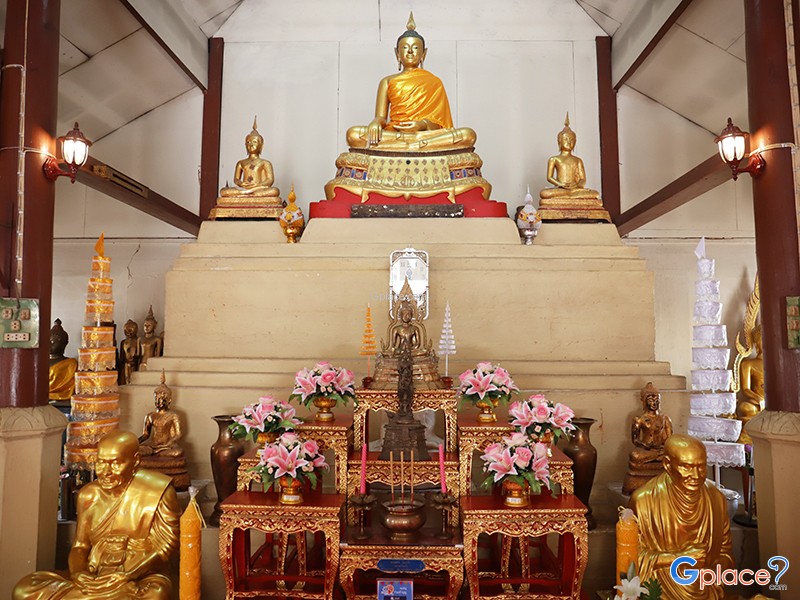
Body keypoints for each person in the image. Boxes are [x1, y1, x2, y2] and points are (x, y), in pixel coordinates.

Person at [13, 431, 180, 600]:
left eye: (115, 463)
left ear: (136, 460)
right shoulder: (88, 495)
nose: (105, 472)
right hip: (93, 573)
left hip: (139, 575)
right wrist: (78, 574)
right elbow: (80, 546)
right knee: (24, 590)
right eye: (100, 463)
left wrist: (128, 575)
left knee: (155, 594)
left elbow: (165, 548)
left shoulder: (157, 491)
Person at [345, 13, 476, 152]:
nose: (410, 51)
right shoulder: (387, 81)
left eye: (415, 47)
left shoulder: (434, 82)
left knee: (468, 135)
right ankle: (414, 145)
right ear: (397, 53)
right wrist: (375, 123)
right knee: (353, 134)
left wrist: (422, 125)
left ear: (424, 54)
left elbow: (442, 125)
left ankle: (410, 145)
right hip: (395, 134)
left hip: (424, 134)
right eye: (405, 47)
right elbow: (381, 117)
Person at [630, 435, 733, 600]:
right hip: (662, 590)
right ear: (667, 465)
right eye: (686, 467)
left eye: (701, 466)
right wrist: (678, 559)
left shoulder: (716, 499)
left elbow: (725, 552)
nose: (696, 475)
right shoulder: (643, 501)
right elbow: (632, 558)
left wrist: (712, 572)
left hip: (706, 588)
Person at [622, 382, 674, 494]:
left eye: (656, 400)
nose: (654, 403)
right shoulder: (639, 419)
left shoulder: (665, 419)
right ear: (644, 401)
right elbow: (635, 439)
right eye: (650, 400)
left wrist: (663, 448)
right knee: (635, 456)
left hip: (661, 450)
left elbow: (670, 439)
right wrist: (644, 445)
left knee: (672, 456)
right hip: (646, 450)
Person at [540, 114, 600, 199]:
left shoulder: (578, 160)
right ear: (559, 141)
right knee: (545, 193)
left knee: (595, 194)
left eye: (572, 140)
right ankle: (570, 196)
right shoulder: (554, 159)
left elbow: (583, 179)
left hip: (575, 189)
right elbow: (549, 177)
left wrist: (578, 186)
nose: (569, 142)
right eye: (566, 139)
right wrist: (560, 184)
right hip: (561, 188)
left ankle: (570, 196)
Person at [220, 117, 280, 198]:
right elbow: (236, 179)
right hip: (244, 189)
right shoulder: (241, 163)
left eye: (254, 142)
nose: (251, 145)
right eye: (248, 142)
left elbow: (270, 180)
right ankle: (247, 194)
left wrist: (258, 185)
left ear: (261, 145)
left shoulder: (265, 163)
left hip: (258, 188)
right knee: (224, 191)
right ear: (245, 145)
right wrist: (241, 183)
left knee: (274, 191)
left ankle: (247, 194)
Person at [139, 370, 183, 457]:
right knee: (137, 449)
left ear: (169, 400)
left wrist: (169, 443)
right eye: (157, 399)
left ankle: (156, 453)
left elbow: (178, 434)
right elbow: (146, 434)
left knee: (177, 452)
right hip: (153, 444)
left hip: (167, 446)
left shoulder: (173, 416)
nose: (160, 402)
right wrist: (136, 442)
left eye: (163, 399)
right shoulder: (150, 416)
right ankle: (155, 452)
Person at [737, 326, 764, 443]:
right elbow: (746, 389)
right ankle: (747, 438)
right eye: (763, 340)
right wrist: (758, 398)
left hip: (773, 403)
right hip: (756, 403)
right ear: (756, 343)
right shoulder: (748, 364)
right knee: (745, 407)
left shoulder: (777, 363)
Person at [49, 318, 78, 401]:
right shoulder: (38, 362)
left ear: (65, 343)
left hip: (63, 399)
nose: (50, 345)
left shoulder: (71, 364)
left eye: (53, 342)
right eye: (48, 342)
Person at [119, 319, 140, 385]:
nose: (128, 332)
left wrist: (135, 358)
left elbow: (139, 354)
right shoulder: (123, 342)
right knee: (126, 378)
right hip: (126, 364)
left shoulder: (138, 341)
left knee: (134, 379)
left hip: (134, 363)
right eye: (125, 331)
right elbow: (122, 356)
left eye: (130, 330)